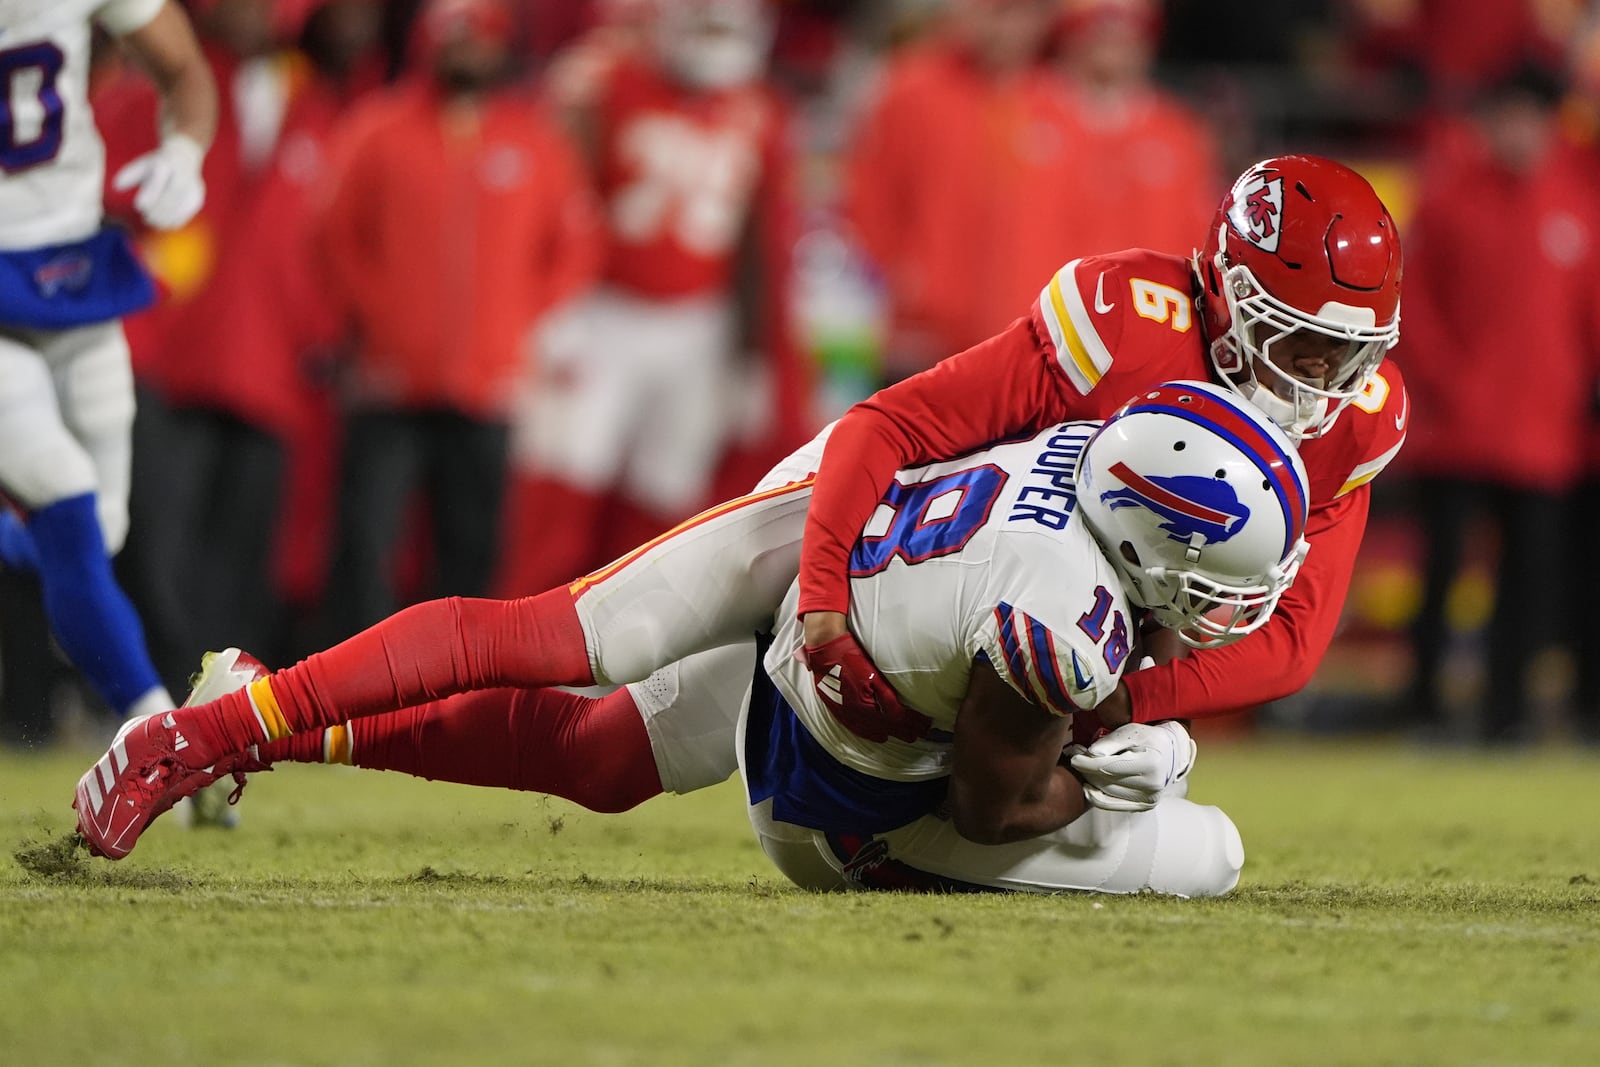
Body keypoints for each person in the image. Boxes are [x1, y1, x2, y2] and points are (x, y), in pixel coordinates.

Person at [74, 381, 1309, 900]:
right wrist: (1098, 762)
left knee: (591, 727)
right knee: (562, 640)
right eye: (1217, 578)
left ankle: (246, 719)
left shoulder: (1096, 440)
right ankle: (206, 732)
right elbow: (994, 803)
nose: (1229, 606)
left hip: (857, 534)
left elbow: (902, 429)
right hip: (836, 631)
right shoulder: (1064, 622)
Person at [795, 152, 1407, 744]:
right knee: (715, 592)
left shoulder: (1354, 421)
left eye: (1348, 349)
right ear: (1228, 291)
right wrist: (822, 610)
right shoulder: (1128, 327)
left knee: (1182, 833)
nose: (1321, 376)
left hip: (1072, 635)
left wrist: (1134, 707)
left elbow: (1295, 640)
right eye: (1294, 333)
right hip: (898, 527)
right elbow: (887, 426)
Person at [496, 0, 811, 595]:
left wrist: (754, 353)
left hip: (696, 326)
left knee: (664, 509)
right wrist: (552, 313)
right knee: (559, 494)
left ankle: (618, 666)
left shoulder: (760, 112)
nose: (715, 40)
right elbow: (554, 200)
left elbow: (756, 244)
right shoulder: (604, 81)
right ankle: (515, 651)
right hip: (601, 314)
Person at [313, 0, 602, 641]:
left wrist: (521, 321)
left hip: (488, 384)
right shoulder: (377, 130)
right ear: (426, 42)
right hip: (387, 380)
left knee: (471, 550)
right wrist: (377, 318)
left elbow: (576, 247)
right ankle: (351, 695)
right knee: (367, 545)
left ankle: (450, 700)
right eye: (456, 37)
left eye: (482, 37)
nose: (469, 50)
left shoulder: (535, 141)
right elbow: (335, 238)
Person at [0, 0, 217, 729]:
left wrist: (185, 148)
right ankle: (163, 737)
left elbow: (184, 68)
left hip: (73, 266)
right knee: (65, 500)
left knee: (102, 528)